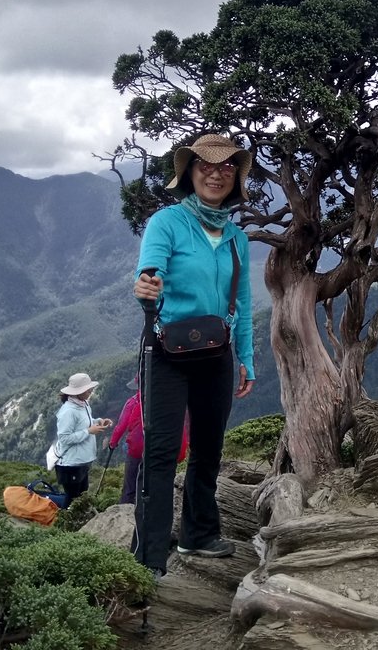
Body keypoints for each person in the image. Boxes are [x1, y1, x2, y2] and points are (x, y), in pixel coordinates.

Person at [132, 133, 255, 576]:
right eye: (206, 164)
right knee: (162, 452)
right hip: (165, 350)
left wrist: (246, 359)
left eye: (226, 167)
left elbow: (239, 304)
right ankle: (146, 558)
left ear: (235, 178)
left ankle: (198, 534)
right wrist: (147, 288)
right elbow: (150, 272)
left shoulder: (237, 237)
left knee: (209, 448)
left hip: (217, 354)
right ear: (189, 172)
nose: (216, 172)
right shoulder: (167, 223)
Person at [110, 377, 190, 505]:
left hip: (138, 448)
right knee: (158, 484)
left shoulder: (134, 401)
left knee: (131, 484)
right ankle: (155, 509)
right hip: (165, 450)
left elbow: (121, 426)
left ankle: (127, 509)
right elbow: (185, 425)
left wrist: (112, 443)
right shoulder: (174, 400)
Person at [54, 372, 112, 504]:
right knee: (73, 500)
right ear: (77, 392)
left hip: (82, 461)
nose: (91, 391)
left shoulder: (83, 404)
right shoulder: (68, 411)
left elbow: (85, 423)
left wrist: (98, 421)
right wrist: (88, 431)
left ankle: (77, 523)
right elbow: (64, 438)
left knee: (82, 497)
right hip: (70, 463)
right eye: (87, 390)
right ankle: (66, 523)